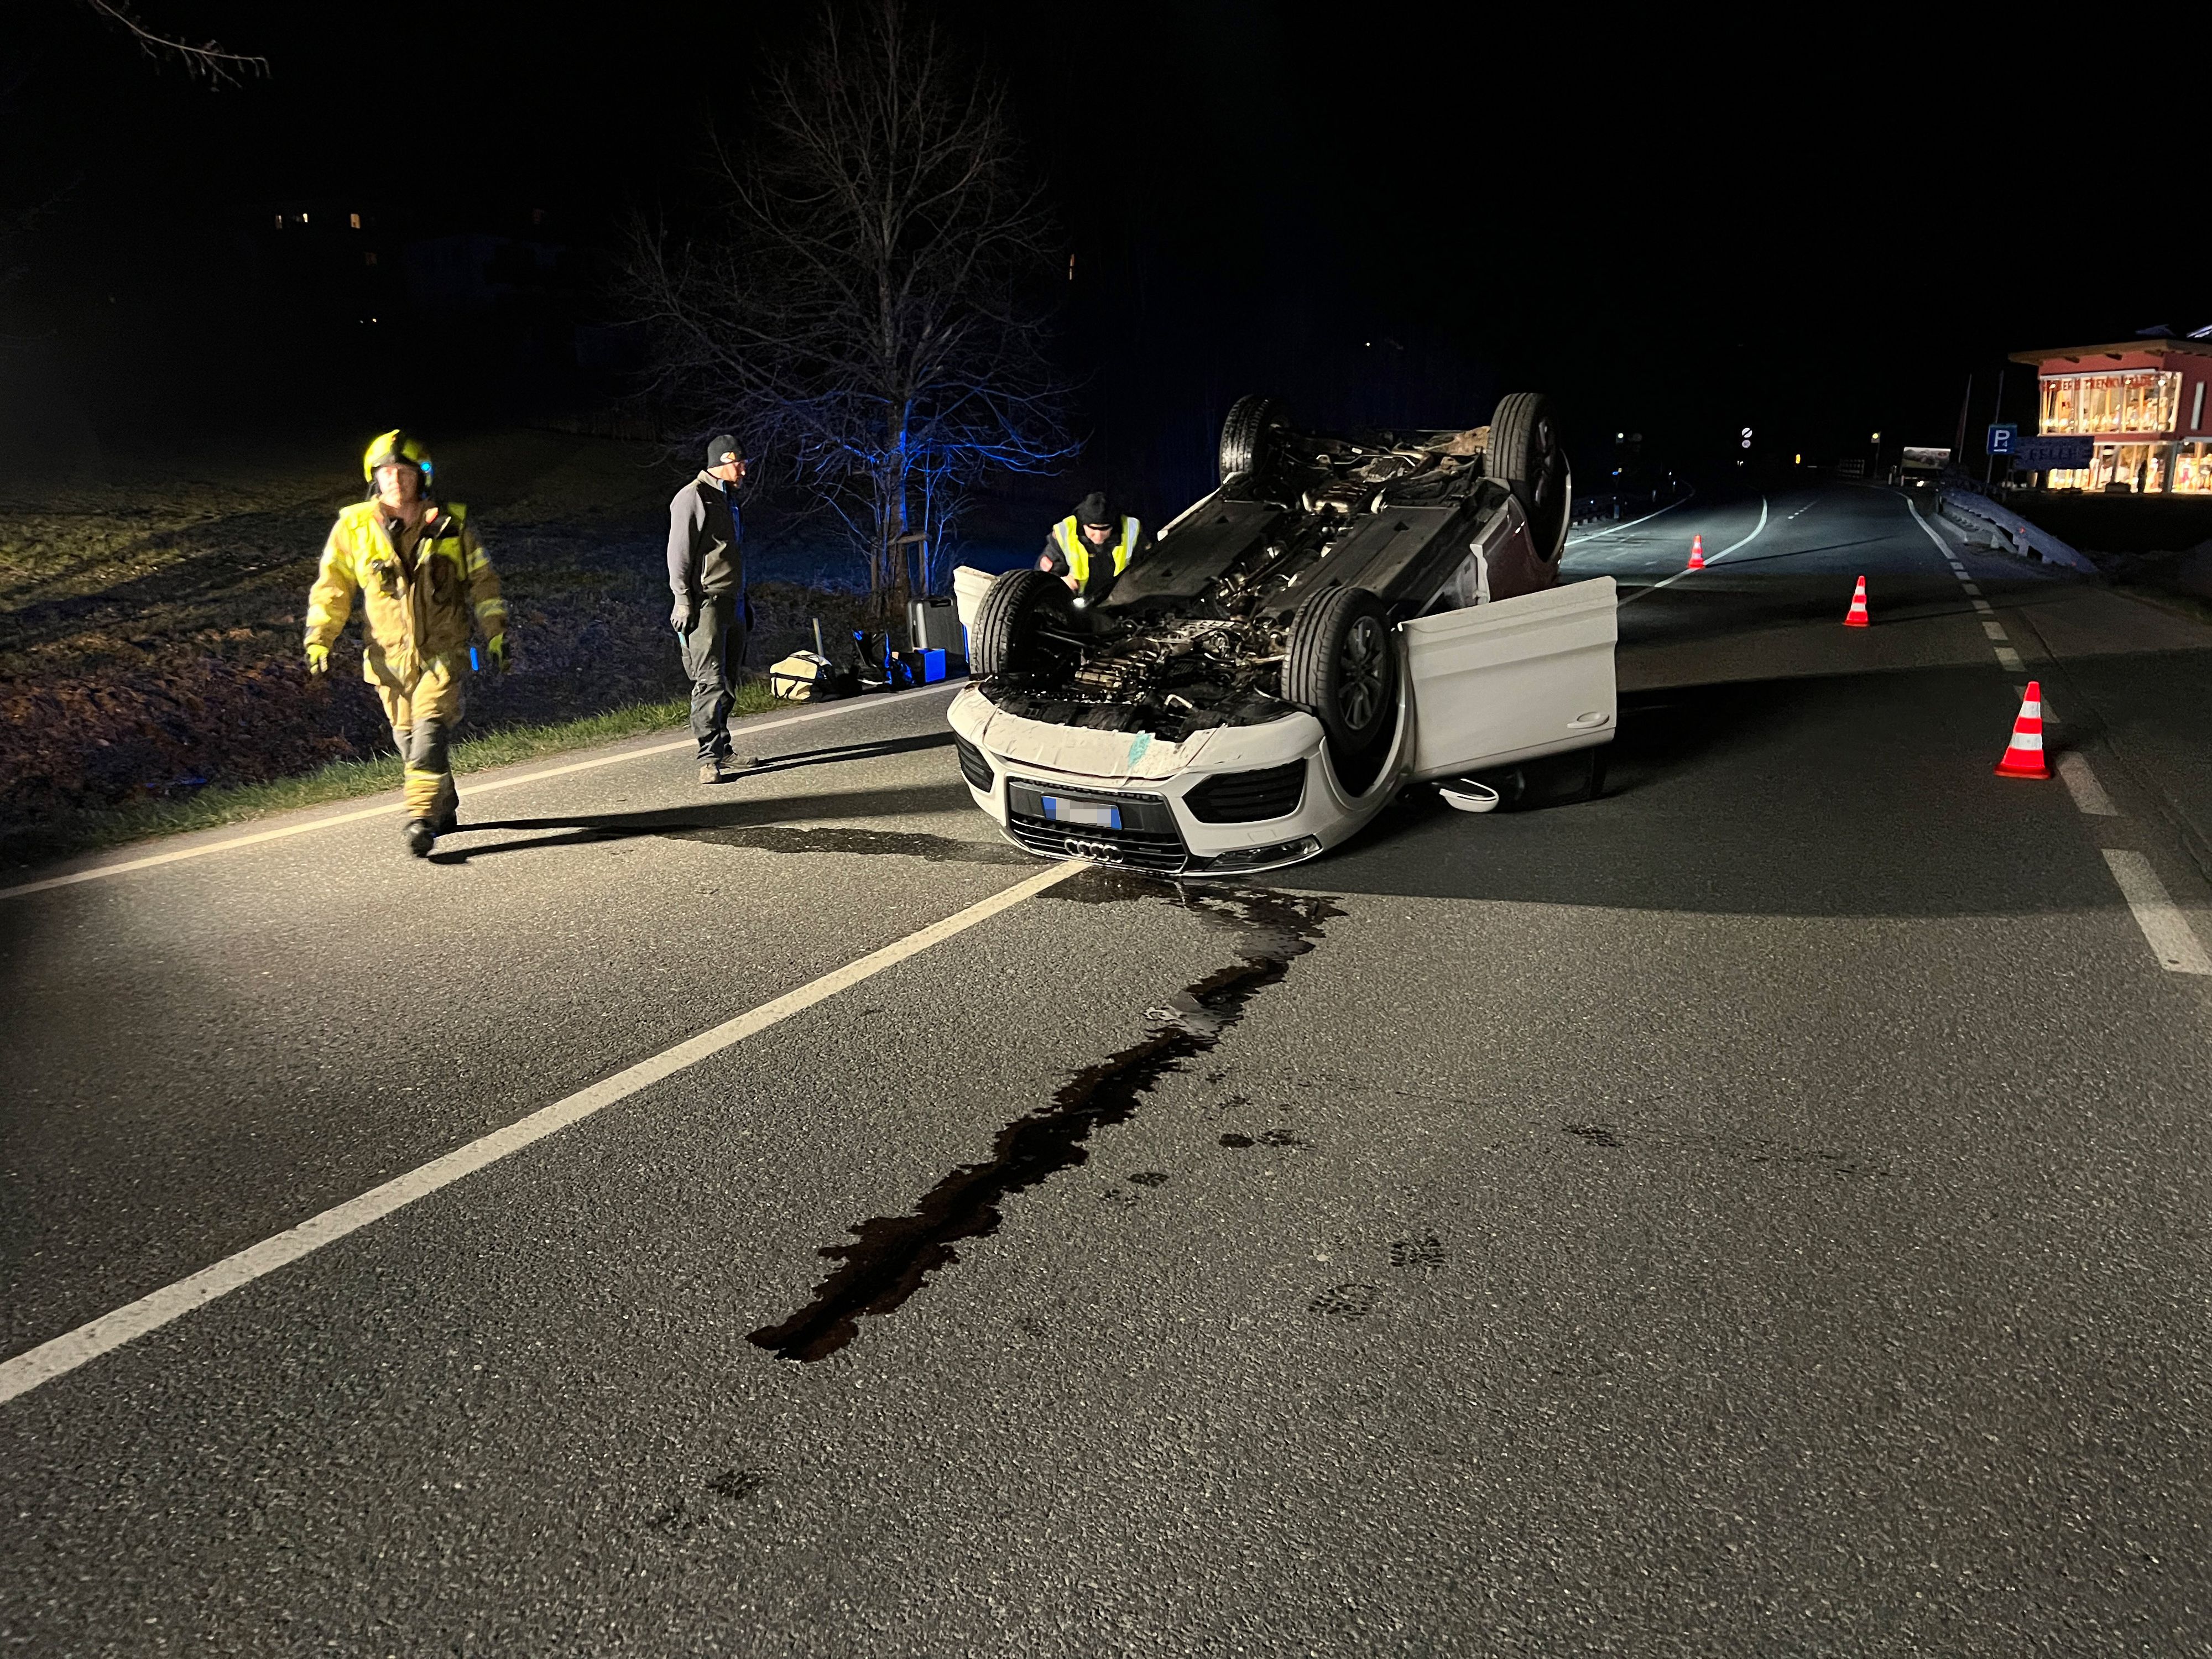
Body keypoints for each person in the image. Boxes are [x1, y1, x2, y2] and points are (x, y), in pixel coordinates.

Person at [305, 430, 507, 858]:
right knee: (408, 741)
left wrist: (497, 632)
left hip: (445, 654)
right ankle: (443, 803)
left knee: (430, 734)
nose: (396, 480)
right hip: (388, 662)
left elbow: (484, 584)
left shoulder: (452, 524)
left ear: (422, 477)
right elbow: (332, 589)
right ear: (374, 477)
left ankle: (421, 821)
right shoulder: (353, 529)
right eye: (388, 472)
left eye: (405, 472)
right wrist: (319, 639)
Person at [669, 434, 756, 783]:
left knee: (730, 680)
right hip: (705, 603)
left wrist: (745, 600)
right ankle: (708, 759)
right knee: (710, 681)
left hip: (732, 601)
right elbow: (680, 553)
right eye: (740, 463)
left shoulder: (728, 500)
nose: (745, 470)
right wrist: (682, 599)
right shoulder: (692, 497)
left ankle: (723, 748)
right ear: (724, 461)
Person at [1039, 491, 1149, 605]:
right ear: (1083, 524)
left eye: (1105, 529)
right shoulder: (1064, 534)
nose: (1098, 536)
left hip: (1121, 603)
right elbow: (1044, 577)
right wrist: (1061, 582)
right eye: (1092, 529)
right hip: (1078, 605)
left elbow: (1148, 566)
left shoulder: (1132, 532)